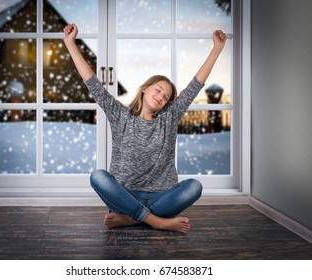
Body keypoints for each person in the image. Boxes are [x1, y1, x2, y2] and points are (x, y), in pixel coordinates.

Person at [63, 24, 227, 233]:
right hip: (124, 195)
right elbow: (92, 83)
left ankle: (133, 218)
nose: (161, 96)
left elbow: (195, 85)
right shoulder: (120, 114)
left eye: (166, 97)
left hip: (162, 196)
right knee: (98, 177)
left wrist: (216, 49)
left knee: (195, 186)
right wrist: (70, 43)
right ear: (144, 89)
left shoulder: (169, 118)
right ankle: (157, 221)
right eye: (158, 90)